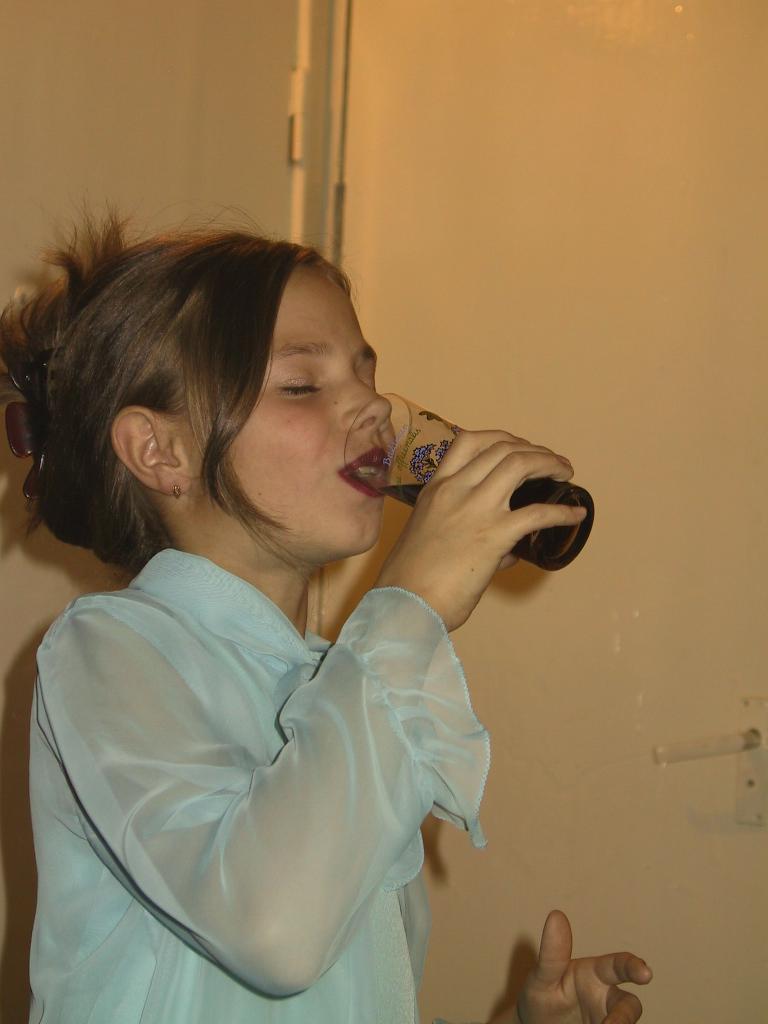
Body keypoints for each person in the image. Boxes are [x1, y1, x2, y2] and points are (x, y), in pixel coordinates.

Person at [1, 217, 652, 1023]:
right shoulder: (107, 652)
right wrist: (411, 600)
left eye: (366, 372)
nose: (373, 406)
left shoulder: (351, 689)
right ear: (160, 451)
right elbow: (273, 931)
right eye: (302, 385)